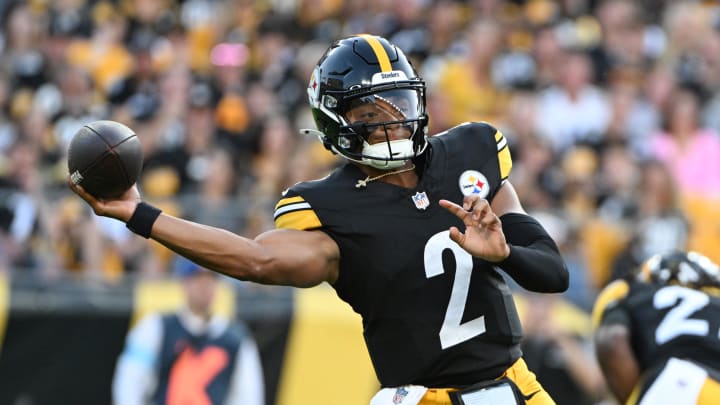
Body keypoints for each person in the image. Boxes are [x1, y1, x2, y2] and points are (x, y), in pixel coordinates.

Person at [71, 35, 569, 405]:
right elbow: (256, 261)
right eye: (369, 115)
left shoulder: (470, 153)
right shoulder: (333, 207)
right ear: (336, 124)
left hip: (515, 386)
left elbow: (552, 272)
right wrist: (140, 214)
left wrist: (506, 254)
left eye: (398, 104)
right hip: (423, 398)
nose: (391, 121)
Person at [112, 257, 265, 405]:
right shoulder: (155, 327)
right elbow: (129, 382)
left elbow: (249, 395)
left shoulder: (236, 338)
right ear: (183, 281)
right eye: (197, 277)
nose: (204, 285)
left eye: (210, 278)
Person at [592, 250, 720, 404]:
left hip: (678, 384)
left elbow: (611, 341)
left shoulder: (632, 291)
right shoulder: (714, 303)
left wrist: (633, 397)